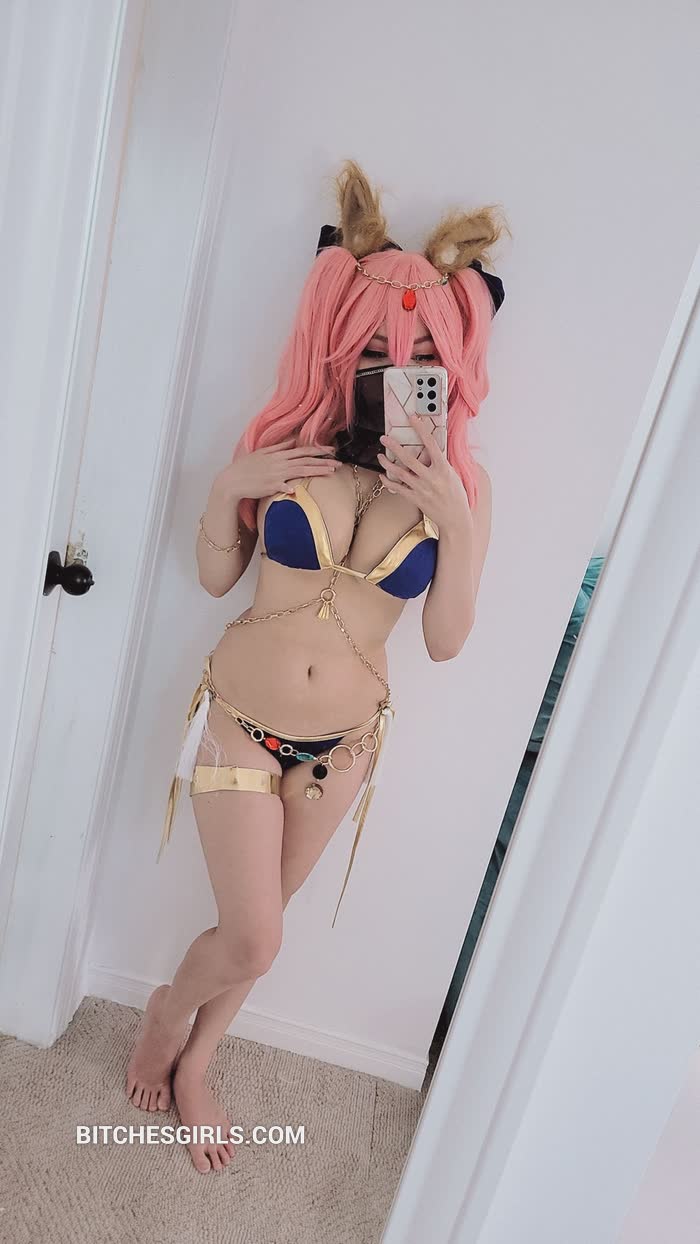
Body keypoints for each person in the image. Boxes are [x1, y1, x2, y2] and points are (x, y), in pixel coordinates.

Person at [125, 159, 508, 1173]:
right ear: (339, 343)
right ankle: (165, 1009)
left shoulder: (462, 489)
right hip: (240, 717)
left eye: (421, 358)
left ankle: (200, 1059)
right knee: (252, 936)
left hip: (344, 741)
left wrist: (456, 524)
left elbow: (445, 641)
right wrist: (230, 486)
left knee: (270, 927)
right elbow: (216, 577)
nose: (397, 370)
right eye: (379, 351)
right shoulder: (287, 441)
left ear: (451, 363)